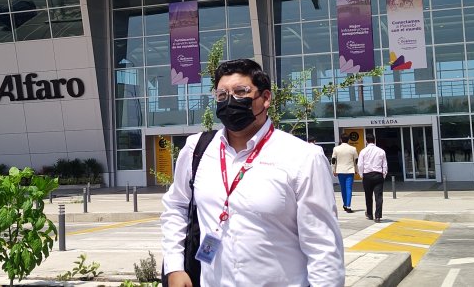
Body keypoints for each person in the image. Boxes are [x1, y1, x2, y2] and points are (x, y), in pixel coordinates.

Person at [161, 58, 344, 287]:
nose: (230, 101)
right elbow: (176, 206)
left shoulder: (303, 157)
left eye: (241, 92)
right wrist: (174, 266)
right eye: (222, 95)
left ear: (265, 98)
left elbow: (323, 246)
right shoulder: (196, 150)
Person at [358, 135, 389, 221]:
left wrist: (361, 175)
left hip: (367, 175)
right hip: (378, 175)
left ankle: (369, 214)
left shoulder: (363, 151)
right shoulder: (381, 151)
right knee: (378, 196)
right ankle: (378, 216)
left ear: (366, 141)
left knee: (368, 196)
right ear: (374, 140)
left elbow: (360, 165)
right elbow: (384, 164)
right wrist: (384, 174)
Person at [331, 136, 358, 213]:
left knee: (343, 188)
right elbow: (356, 160)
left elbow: (333, 160)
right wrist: (356, 170)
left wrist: (334, 170)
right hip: (350, 170)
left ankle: (345, 204)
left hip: (340, 170)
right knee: (349, 188)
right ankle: (348, 206)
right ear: (348, 140)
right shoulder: (353, 149)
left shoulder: (336, 149)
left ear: (341, 139)